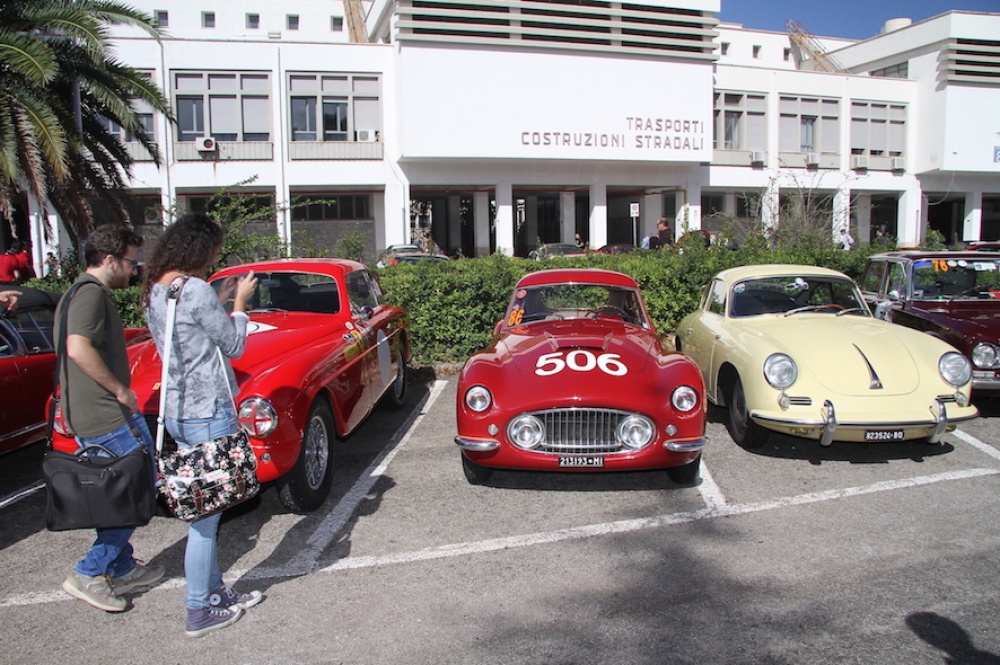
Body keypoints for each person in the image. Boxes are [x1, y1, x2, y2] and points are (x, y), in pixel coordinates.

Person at [142, 214, 262, 638]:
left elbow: (187, 333)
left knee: (205, 507)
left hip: (177, 411)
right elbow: (233, 344)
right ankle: (198, 608)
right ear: (200, 250)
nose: (215, 258)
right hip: (210, 410)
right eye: (214, 250)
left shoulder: (157, 290)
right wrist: (240, 304)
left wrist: (219, 298)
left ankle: (215, 595)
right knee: (206, 518)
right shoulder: (193, 291)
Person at [54, 224, 164, 613]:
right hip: (104, 414)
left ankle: (119, 563)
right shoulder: (90, 295)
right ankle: (90, 571)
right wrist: (119, 389)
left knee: (125, 490)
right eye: (131, 263)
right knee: (131, 492)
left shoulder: (80, 292)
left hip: (101, 413)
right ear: (109, 259)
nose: (134, 271)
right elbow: (77, 347)